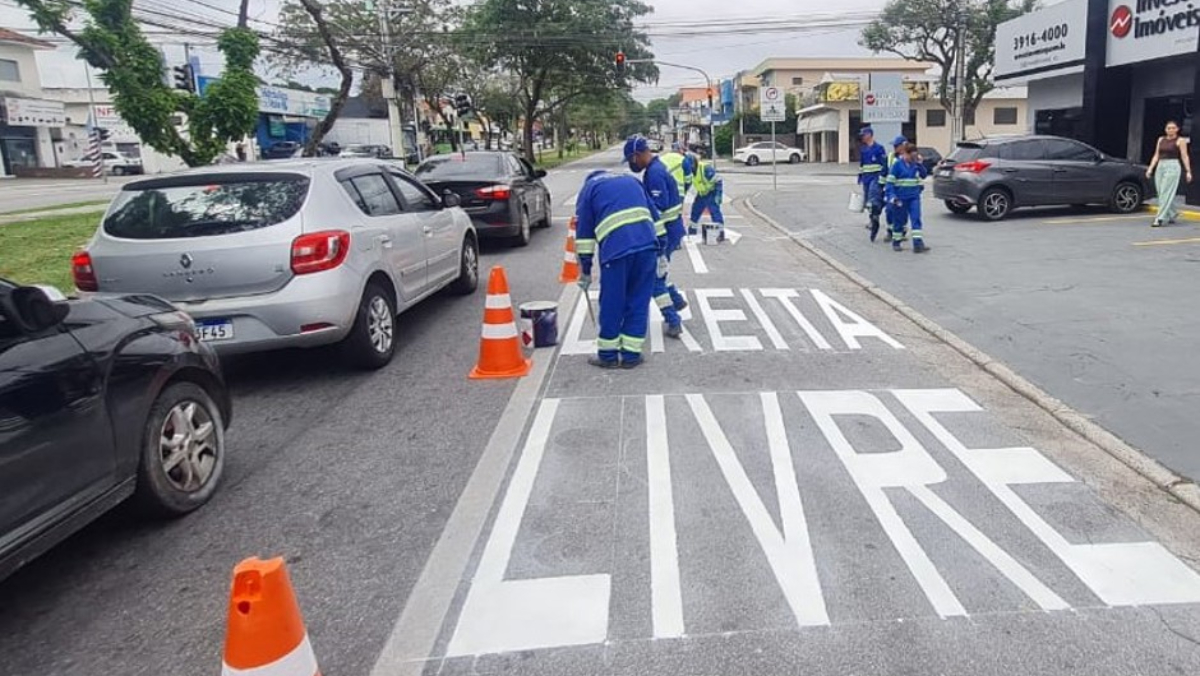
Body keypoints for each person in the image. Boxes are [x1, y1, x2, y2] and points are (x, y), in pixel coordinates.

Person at [574, 170, 660, 368]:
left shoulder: (589, 189)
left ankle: (608, 355)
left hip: (617, 251)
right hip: (648, 247)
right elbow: (656, 217)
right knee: (638, 301)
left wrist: (585, 269)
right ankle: (631, 355)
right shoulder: (632, 181)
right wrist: (661, 251)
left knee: (612, 302)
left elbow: (584, 235)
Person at [625, 135, 688, 338]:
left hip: (665, 233)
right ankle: (676, 300)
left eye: (631, 159)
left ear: (638, 155)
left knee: (653, 278)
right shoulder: (655, 169)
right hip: (670, 230)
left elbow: (658, 208)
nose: (631, 164)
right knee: (659, 271)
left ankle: (673, 320)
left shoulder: (654, 174)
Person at [1146, 120, 1193, 227]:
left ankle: (1160, 218)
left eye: (1173, 128)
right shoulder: (1161, 139)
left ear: (1177, 129)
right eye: (1168, 128)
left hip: (1173, 165)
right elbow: (1156, 155)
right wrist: (1150, 168)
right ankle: (1172, 213)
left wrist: (1188, 171)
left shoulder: (1180, 141)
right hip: (1161, 166)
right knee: (1161, 192)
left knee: (1166, 192)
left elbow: (1184, 156)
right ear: (1165, 129)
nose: (1170, 130)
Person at [886, 143, 930, 253]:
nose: (912, 159)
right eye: (911, 156)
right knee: (899, 221)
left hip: (914, 197)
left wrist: (919, 164)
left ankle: (918, 244)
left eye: (914, 156)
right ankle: (896, 241)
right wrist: (892, 197)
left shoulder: (915, 164)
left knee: (916, 219)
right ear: (904, 154)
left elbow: (924, 175)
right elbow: (890, 183)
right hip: (900, 198)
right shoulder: (897, 165)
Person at [857, 127, 888, 241]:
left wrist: (882, 178)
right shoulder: (863, 149)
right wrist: (860, 176)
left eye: (863, 135)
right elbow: (862, 164)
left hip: (875, 178)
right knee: (868, 201)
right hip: (866, 178)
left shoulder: (879, 148)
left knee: (873, 199)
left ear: (869, 135)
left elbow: (883, 164)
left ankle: (875, 218)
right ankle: (872, 219)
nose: (862, 137)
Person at [689, 158, 727, 243]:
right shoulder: (690, 171)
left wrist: (718, 194)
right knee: (695, 211)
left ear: (694, 164)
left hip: (711, 192)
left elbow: (718, 180)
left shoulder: (705, 168)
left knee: (715, 212)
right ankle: (692, 232)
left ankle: (720, 233)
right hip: (702, 193)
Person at [883, 134, 909, 243]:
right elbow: (884, 172)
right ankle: (890, 231)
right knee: (889, 210)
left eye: (896, 145)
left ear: (903, 146)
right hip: (891, 189)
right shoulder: (890, 157)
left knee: (903, 211)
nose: (894, 147)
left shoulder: (909, 157)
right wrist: (881, 187)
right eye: (894, 145)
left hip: (904, 190)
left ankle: (902, 232)